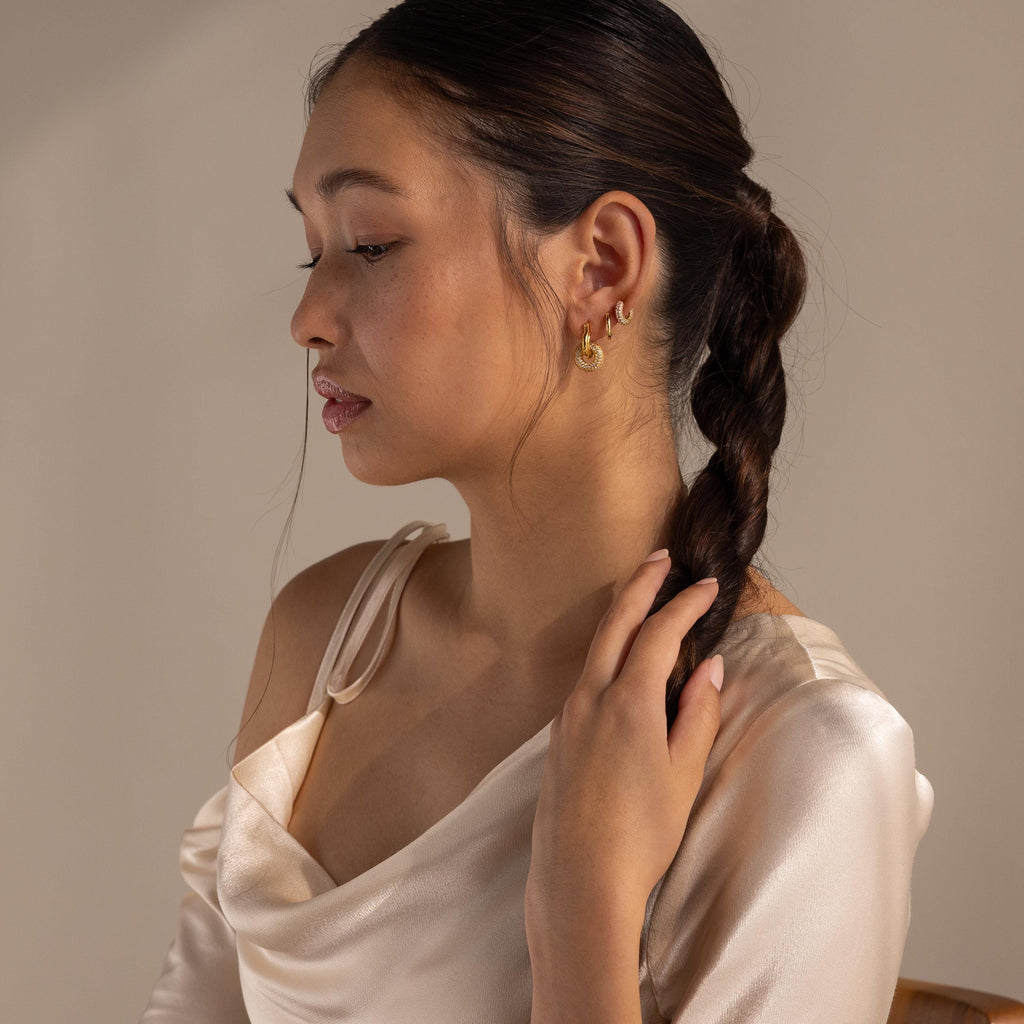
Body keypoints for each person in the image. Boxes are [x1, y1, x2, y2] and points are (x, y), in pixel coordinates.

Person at [140, 1, 933, 1021]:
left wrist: (584, 914)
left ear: (601, 266)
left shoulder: (805, 752)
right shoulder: (325, 636)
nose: (306, 318)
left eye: (370, 245)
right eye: (313, 251)